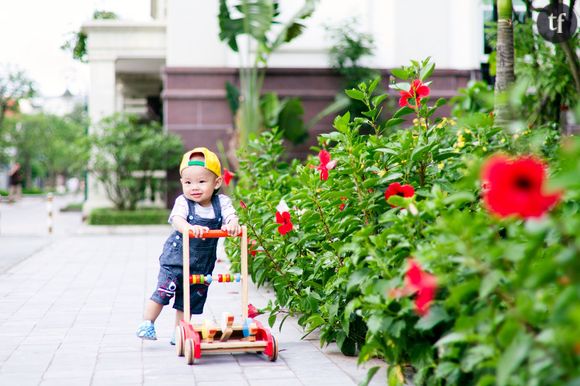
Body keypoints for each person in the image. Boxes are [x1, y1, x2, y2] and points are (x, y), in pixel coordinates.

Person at [136, 147, 241, 342]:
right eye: (188, 182)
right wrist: (189, 228)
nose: (194, 187)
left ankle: (180, 332)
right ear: (182, 183)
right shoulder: (183, 202)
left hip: (201, 264)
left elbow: (230, 215)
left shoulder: (222, 202)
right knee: (164, 290)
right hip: (176, 260)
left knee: (188, 301)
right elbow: (176, 219)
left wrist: (232, 224)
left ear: (217, 182)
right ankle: (147, 322)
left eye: (202, 182)